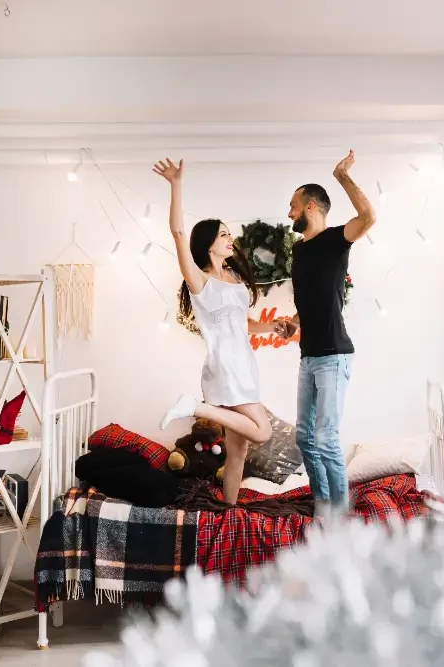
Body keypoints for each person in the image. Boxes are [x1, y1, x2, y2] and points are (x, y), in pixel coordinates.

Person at [153, 158, 282, 506]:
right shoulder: (200, 281)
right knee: (263, 430)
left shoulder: (235, 280)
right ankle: (195, 406)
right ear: (209, 244)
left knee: (237, 452)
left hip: (244, 363)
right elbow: (178, 233)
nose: (230, 238)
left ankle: (229, 511)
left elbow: (245, 325)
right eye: (223, 233)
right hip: (228, 365)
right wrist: (176, 184)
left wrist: (273, 326)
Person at [281, 150, 376, 520]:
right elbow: (311, 298)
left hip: (334, 355)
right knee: (303, 437)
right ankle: (323, 501)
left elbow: (368, 216)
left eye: (293, 205)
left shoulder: (338, 240)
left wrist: (343, 177)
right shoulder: (298, 251)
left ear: (311, 207)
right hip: (308, 356)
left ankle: (340, 515)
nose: (289, 213)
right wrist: (294, 322)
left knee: (326, 438)